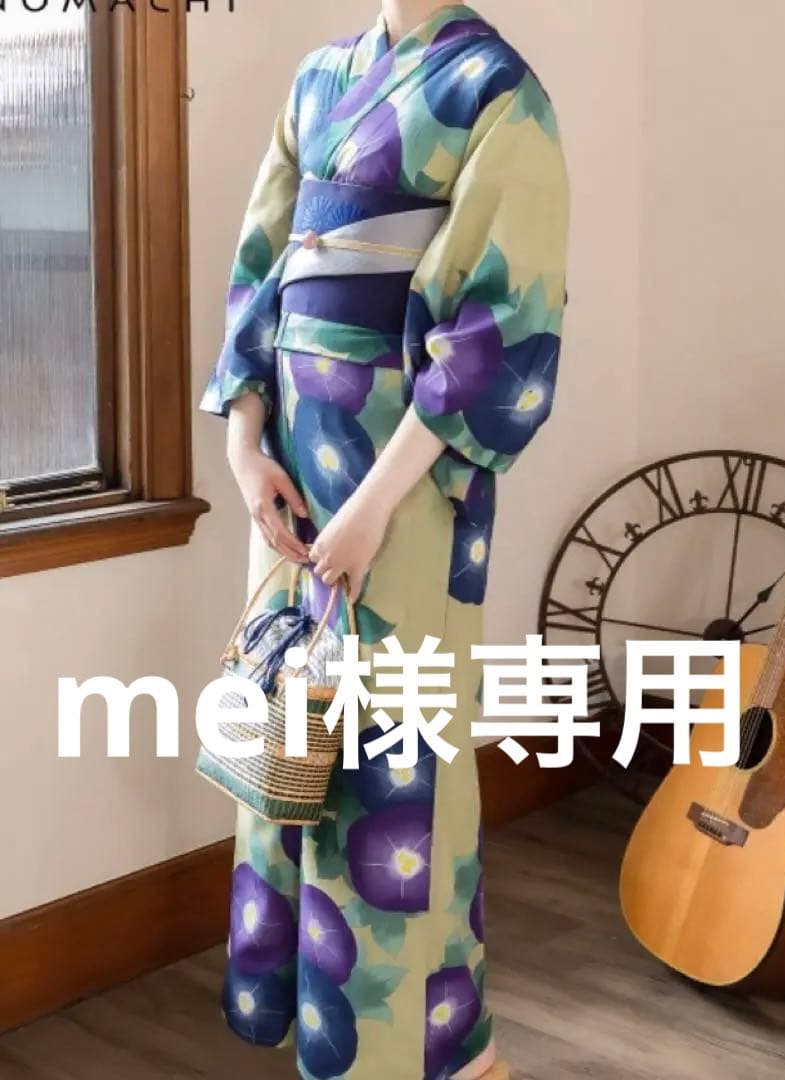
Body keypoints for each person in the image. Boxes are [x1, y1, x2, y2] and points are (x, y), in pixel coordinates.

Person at [201, 2, 569, 1076]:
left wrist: (372, 507)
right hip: (290, 466)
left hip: (404, 482)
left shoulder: (498, 92)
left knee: (392, 763)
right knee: (290, 723)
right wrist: (242, 443)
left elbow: (498, 323)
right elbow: (265, 263)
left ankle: (416, 1043)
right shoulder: (319, 78)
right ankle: (341, 1021)